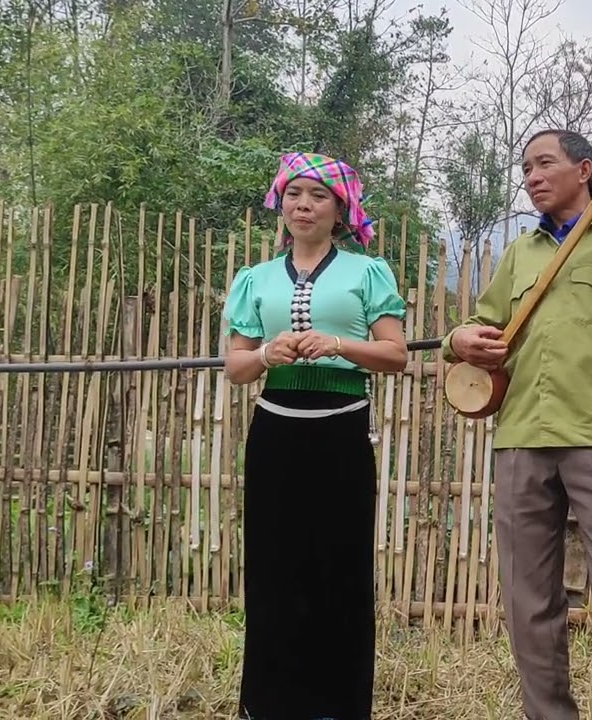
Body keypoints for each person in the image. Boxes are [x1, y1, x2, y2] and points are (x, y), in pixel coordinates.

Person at [440, 123, 592, 720]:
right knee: (527, 600)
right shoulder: (520, 253)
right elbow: (479, 323)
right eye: (526, 169)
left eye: (544, 163)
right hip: (521, 437)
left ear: (585, 170)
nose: (532, 177)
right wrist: (458, 339)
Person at [221, 151, 408, 720]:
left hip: (341, 433)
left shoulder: (367, 273)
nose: (304, 205)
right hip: (275, 434)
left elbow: (396, 354)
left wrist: (339, 344)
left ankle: (338, 707)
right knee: (273, 568)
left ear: (340, 210)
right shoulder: (254, 279)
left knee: (341, 568)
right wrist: (265, 355)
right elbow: (235, 367)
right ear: (281, 205)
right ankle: (270, 704)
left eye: (318, 196)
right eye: (294, 194)